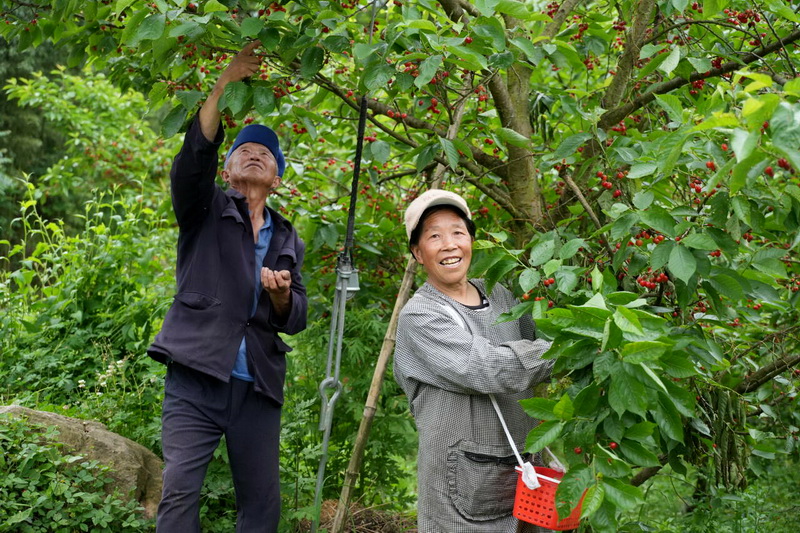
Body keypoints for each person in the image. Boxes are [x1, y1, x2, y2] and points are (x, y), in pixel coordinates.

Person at [147, 41, 308, 532]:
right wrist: (224, 83)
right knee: (179, 491)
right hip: (196, 374)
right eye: (244, 151)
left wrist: (282, 297)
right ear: (227, 169)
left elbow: (297, 315)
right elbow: (194, 156)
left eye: (266, 154)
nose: (255, 155)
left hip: (256, 385)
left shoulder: (288, 237)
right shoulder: (205, 208)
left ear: (277, 179)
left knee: (262, 507)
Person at [393, 189, 554, 533]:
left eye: (458, 232)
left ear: (471, 241)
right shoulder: (420, 315)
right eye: (434, 236)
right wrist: (566, 351)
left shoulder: (501, 294)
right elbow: (487, 368)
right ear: (418, 253)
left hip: (524, 475)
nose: (449, 244)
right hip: (461, 489)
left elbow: (543, 333)